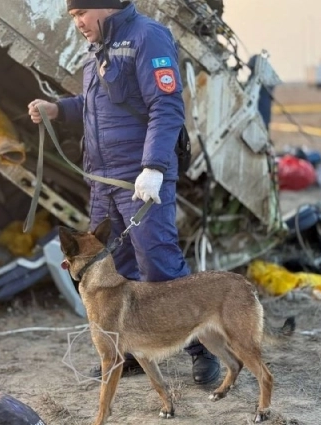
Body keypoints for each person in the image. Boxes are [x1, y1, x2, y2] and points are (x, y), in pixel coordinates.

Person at [28, 0, 220, 386]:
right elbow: (94, 106)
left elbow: (165, 106)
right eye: (72, 17)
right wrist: (58, 110)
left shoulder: (148, 37)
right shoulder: (96, 48)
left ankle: (205, 351)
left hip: (139, 179)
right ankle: (129, 352)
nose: (78, 23)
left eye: (80, 14)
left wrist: (153, 167)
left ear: (105, 6)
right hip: (103, 181)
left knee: (159, 266)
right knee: (116, 270)